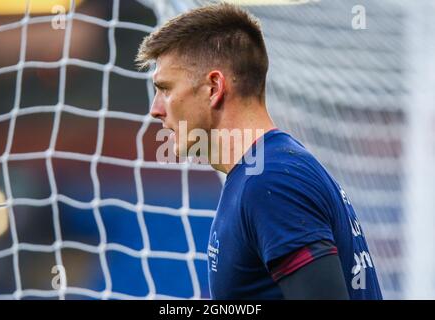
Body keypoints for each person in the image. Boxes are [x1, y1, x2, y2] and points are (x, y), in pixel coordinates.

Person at [136, 3, 382, 300]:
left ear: (214, 87)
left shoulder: (272, 182)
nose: (155, 110)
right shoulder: (263, 172)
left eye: (165, 89)